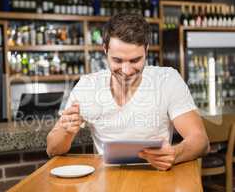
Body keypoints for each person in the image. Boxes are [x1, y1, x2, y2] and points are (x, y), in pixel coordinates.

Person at [46, 13, 209, 171]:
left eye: (135, 60)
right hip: (106, 180)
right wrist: (66, 131)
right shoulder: (87, 86)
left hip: (157, 175)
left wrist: (174, 153)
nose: (126, 70)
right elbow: (52, 149)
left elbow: (201, 141)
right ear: (105, 50)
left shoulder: (168, 79)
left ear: (146, 49)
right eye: (117, 60)